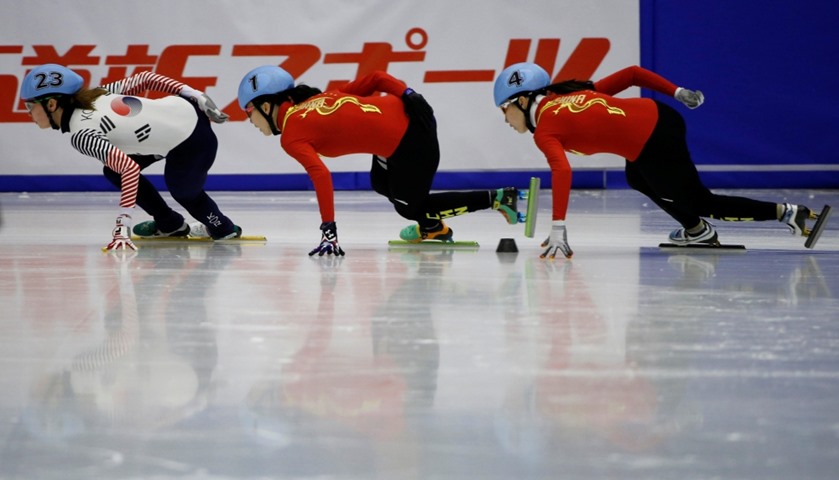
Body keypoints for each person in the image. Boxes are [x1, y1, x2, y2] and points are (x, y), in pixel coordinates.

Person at [492, 63, 820, 259]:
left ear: (523, 101)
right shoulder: (565, 94)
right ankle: (696, 230)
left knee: (699, 201)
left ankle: (789, 213)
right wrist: (676, 91)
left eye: (504, 109)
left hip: (653, 138)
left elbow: (562, 170)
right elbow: (633, 74)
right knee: (637, 178)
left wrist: (559, 227)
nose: (504, 119)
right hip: (659, 119)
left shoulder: (545, 130)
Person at [236, 65, 520, 256]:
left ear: (266, 105)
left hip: (412, 139)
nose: (250, 120)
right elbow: (375, 77)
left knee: (409, 207)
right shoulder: (320, 98)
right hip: (408, 121)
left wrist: (328, 230)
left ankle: (498, 199)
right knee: (381, 183)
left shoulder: (291, 135)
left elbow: (320, 175)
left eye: (248, 112)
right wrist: (408, 93)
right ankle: (433, 228)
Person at [20, 63, 241, 251]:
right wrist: (195, 94)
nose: (28, 113)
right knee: (112, 170)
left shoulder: (81, 135)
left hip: (191, 141)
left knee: (184, 193)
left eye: (30, 105)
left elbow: (129, 169)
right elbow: (145, 78)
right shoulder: (99, 93)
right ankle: (169, 224)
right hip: (184, 110)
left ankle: (222, 227)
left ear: (51, 104)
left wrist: (122, 226)